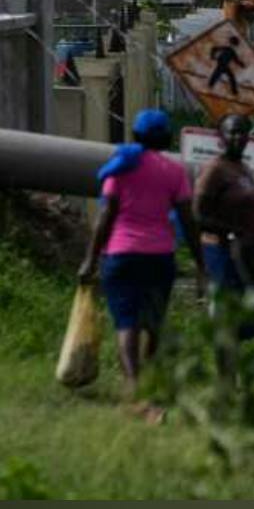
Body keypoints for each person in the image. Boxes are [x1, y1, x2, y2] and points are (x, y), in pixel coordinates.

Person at [78, 108, 206, 410]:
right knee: (153, 323)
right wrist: (201, 262)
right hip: (159, 257)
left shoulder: (121, 166)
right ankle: (148, 384)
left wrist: (90, 259)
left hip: (121, 255)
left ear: (135, 135)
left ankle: (134, 387)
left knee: (127, 324)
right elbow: (188, 220)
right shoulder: (174, 172)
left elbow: (106, 216)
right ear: (166, 138)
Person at [194, 112, 254, 359]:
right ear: (221, 137)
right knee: (227, 321)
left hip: (251, 255)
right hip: (224, 255)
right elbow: (198, 216)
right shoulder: (214, 170)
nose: (237, 137)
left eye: (242, 132)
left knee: (247, 324)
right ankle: (225, 378)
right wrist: (231, 231)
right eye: (232, 132)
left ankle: (237, 375)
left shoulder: (244, 169)